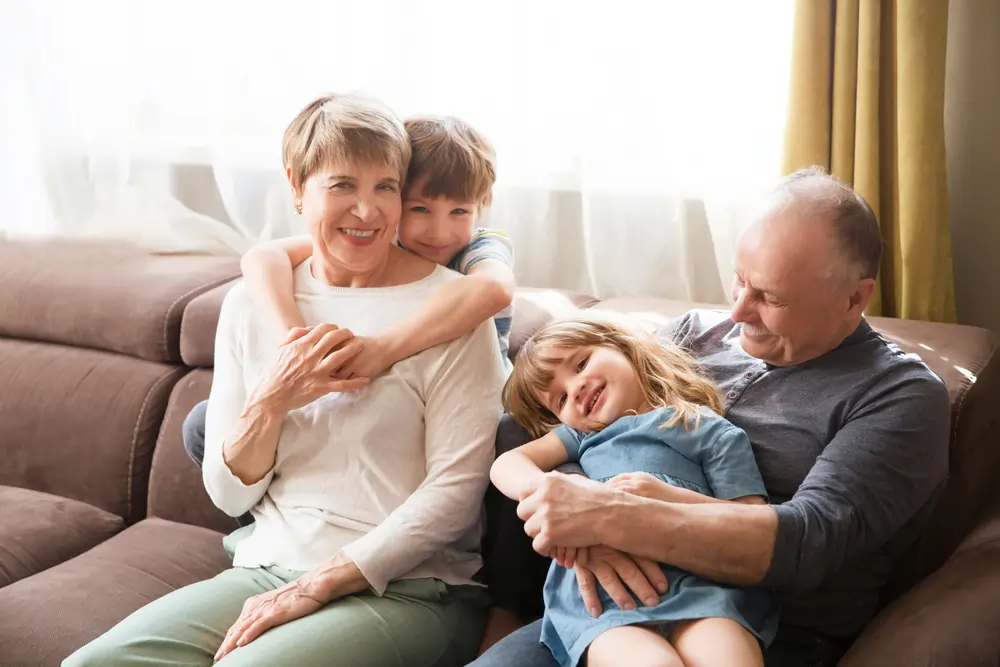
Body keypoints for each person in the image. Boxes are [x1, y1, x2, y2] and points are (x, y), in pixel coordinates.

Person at [63, 93, 508, 667]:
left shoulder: (454, 312)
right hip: (263, 568)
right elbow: (228, 494)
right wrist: (272, 399)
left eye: (387, 187)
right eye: (342, 185)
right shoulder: (253, 303)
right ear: (298, 186)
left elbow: (452, 499)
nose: (368, 211)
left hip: (409, 586)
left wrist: (319, 583)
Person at [473, 167, 951, 667]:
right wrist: (587, 526)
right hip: (604, 606)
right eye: (739, 280)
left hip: (752, 627)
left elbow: (805, 543)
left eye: (770, 297)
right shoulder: (692, 333)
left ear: (854, 298)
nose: (738, 310)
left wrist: (618, 520)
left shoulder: (899, 395)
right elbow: (563, 433)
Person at [181, 115, 516, 489]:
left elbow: (495, 289)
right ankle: (260, 523)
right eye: (420, 209)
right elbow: (261, 258)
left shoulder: (480, 246)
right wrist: (295, 341)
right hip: (368, 413)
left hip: (482, 407)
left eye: (460, 212)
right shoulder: (381, 243)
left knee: (511, 440)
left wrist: (383, 350)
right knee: (203, 424)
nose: (440, 232)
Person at [493, 316, 780, 667]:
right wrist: (566, 490)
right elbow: (506, 465)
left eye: (580, 364)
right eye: (561, 398)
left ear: (620, 345)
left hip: (703, 588)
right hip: (605, 600)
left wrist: (669, 498)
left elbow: (751, 525)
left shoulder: (705, 428)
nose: (576, 389)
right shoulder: (584, 435)